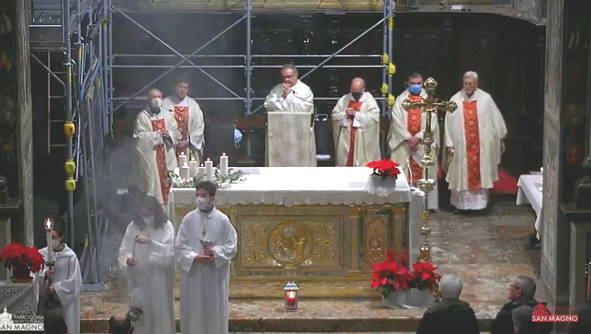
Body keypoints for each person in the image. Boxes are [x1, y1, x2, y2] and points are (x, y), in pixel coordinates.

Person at [175, 181, 238, 334]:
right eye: (197, 196)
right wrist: (194, 256)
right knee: (194, 310)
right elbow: (179, 246)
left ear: (212, 198)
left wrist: (214, 252)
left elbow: (232, 246)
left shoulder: (222, 220)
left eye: (203, 196)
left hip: (214, 276)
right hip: (194, 274)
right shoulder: (188, 219)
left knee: (213, 311)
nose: (199, 199)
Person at [444, 71, 507, 211]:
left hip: (481, 147)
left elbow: (494, 120)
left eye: (470, 84)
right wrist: (449, 143)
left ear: (476, 84)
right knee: (460, 174)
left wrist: (498, 137)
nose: (467, 86)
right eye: (465, 83)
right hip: (461, 147)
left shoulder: (485, 99)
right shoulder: (454, 100)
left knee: (480, 173)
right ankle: (460, 205)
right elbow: (448, 124)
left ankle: (480, 205)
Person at [118, 192, 175, 334]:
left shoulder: (166, 227)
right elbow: (125, 249)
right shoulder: (133, 226)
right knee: (141, 315)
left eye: (149, 215)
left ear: (156, 212)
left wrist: (151, 243)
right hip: (139, 278)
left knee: (158, 312)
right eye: (143, 215)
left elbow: (169, 252)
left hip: (158, 279)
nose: (146, 218)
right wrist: (128, 259)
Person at [388, 72, 439, 209]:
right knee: (404, 172)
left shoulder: (429, 99)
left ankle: (426, 205)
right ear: (407, 83)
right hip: (403, 143)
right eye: (413, 83)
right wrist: (408, 137)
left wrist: (418, 137)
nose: (416, 86)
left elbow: (432, 122)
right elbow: (396, 120)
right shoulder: (400, 99)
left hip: (422, 144)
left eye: (418, 83)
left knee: (424, 171)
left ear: (423, 84)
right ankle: (402, 202)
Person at [132, 89, 180, 205]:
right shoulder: (142, 117)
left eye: (159, 96)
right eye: (154, 97)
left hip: (167, 157)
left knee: (170, 188)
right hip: (152, 159)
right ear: (148, 99)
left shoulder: (168, 115)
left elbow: (176, 132)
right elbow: (139, 138)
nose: (157, 99)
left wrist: (169, 135)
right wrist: (158, 135)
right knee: (154, 189)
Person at [263, 64, 316, 166]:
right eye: (284, 77)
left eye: (289, 76)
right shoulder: (277, 89)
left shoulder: (305, 89)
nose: (286, 80)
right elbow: (268, 105)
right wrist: (283, 97)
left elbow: (305, 108)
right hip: (280, 133)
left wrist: (288, 97)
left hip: (299, 133)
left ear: (296, 75)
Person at [39, 219, 82, 334]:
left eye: (53, 238)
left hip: (65, 305)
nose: (50, 241)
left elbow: (75, 282)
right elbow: (33, 277)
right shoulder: (41, 255)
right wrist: (44, 275)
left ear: (61, 237)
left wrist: (56, 288)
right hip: (45, 304)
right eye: (48, 237)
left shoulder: (70, 257)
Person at [331, 77, 380, 167]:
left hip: (362, 139)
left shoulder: (370, 101)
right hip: (346, 138)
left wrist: (356, 115)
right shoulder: (344, 100)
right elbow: (335, 116)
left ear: (363, 89)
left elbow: (374, 119)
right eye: (353, 91)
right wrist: (345, 115)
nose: (354, 94)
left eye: (357, 92)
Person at [162, 76, 205, 161]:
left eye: (185, 87)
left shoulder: (193, 105)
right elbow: (160, 123)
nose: (182, 90)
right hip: (170, 146)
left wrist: (189, 141)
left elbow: (199, 126)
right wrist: (171, 137)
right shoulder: (165, 103)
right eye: (180, 87)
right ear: (175, 87)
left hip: (188, 147)